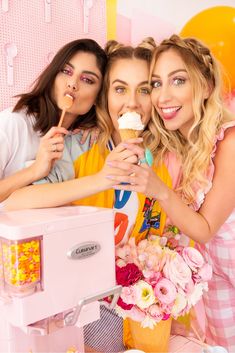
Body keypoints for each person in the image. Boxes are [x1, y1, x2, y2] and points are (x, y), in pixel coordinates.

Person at [4, 38, 174, 352]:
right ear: (104, 97)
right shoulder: (78, 148)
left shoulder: (167, 154)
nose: (133, 103)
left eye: (144, 89)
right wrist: (102, 178)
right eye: (120, 89)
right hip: (90, 306)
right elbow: (14, 201)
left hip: (148, 304)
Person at [105, 35, 235, 351]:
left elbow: (204, 230)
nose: (164, 96)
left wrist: (160, 190)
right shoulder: (182, 147)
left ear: (205, 87)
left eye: (177, 81)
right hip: (215, 280)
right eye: (156, 84)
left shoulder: (230, 141)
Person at [0, 38, 106, 205]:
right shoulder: (13, 123)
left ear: (98, 97)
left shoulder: (81, 140)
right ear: (53, 76)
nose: (72, 84)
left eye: (87, 80)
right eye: (66, 71)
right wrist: (35, 170)